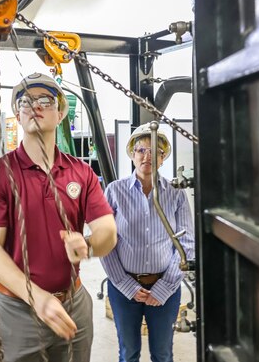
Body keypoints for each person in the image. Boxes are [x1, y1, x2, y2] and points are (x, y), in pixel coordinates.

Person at [0, 72, 117, 362]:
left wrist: (88, 246)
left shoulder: (81, 173)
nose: (34, 106)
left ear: (61, 112)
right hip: (18, 310)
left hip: (73, 302)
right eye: (25, 101)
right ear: (17, 114)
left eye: (44, 100)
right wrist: (37, 296)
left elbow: (108, 233)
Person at [100, 124, 195, 362]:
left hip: (165, 286)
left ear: (163, 158)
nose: (147, 156)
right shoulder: (114, 191)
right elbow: (105, 242)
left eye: (155, 152)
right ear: (132, 154)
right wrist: (124, 283)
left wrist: (165, 286)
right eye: (141, 150)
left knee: (162, 353)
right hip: (124, 288)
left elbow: (187, 244)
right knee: (128, 352)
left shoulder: (175, 194)